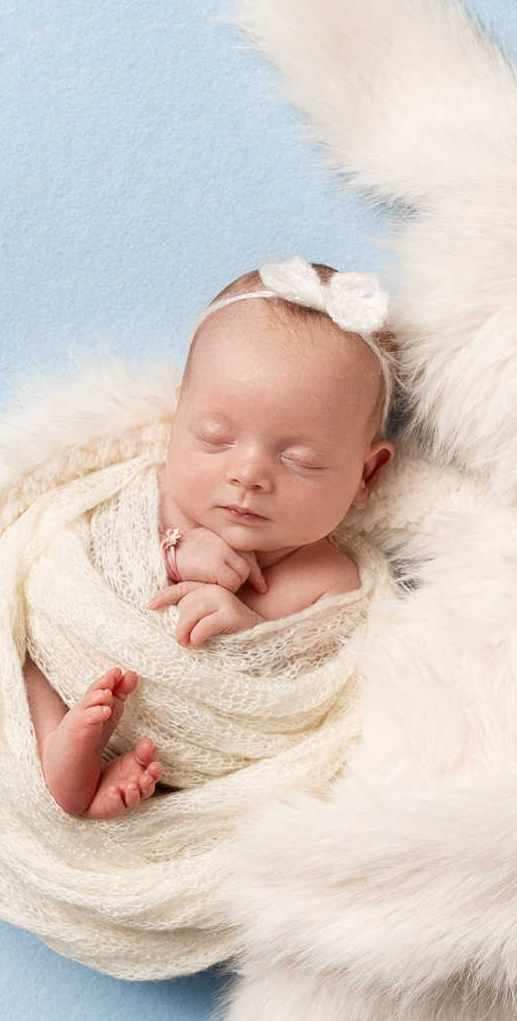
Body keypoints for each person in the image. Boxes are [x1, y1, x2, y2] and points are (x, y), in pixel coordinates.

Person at [23, 260, 394, 818]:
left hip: (200, 752)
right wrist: (175, 547)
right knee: (32, 653)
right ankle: (60, 751)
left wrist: (245, 626)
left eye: (301, 460)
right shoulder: (156, 496)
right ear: (178, 418)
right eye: (216, 438)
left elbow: (298, 686)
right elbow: (87, 552)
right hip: (85, 665)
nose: (248, 474)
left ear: (366, 474)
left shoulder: (330, 580)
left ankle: (119, 779)